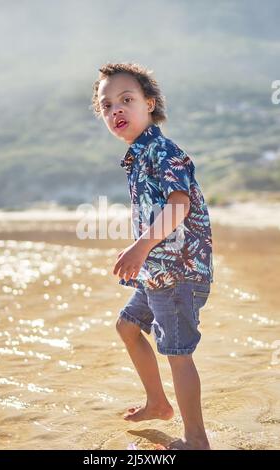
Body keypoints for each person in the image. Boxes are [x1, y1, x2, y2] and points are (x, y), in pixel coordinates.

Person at [91, 62, 213, 450]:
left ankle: (196, 439)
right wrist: (143, 253)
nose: (116, 111)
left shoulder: (162, 152)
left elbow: (179, 205)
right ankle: (158, 403)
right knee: (127, 327)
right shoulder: (138, 155)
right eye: (107, 105)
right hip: (158, 272)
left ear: (150, 103)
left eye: (126, 100)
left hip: (178, 271)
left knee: (178, 353)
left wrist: (140, 246)